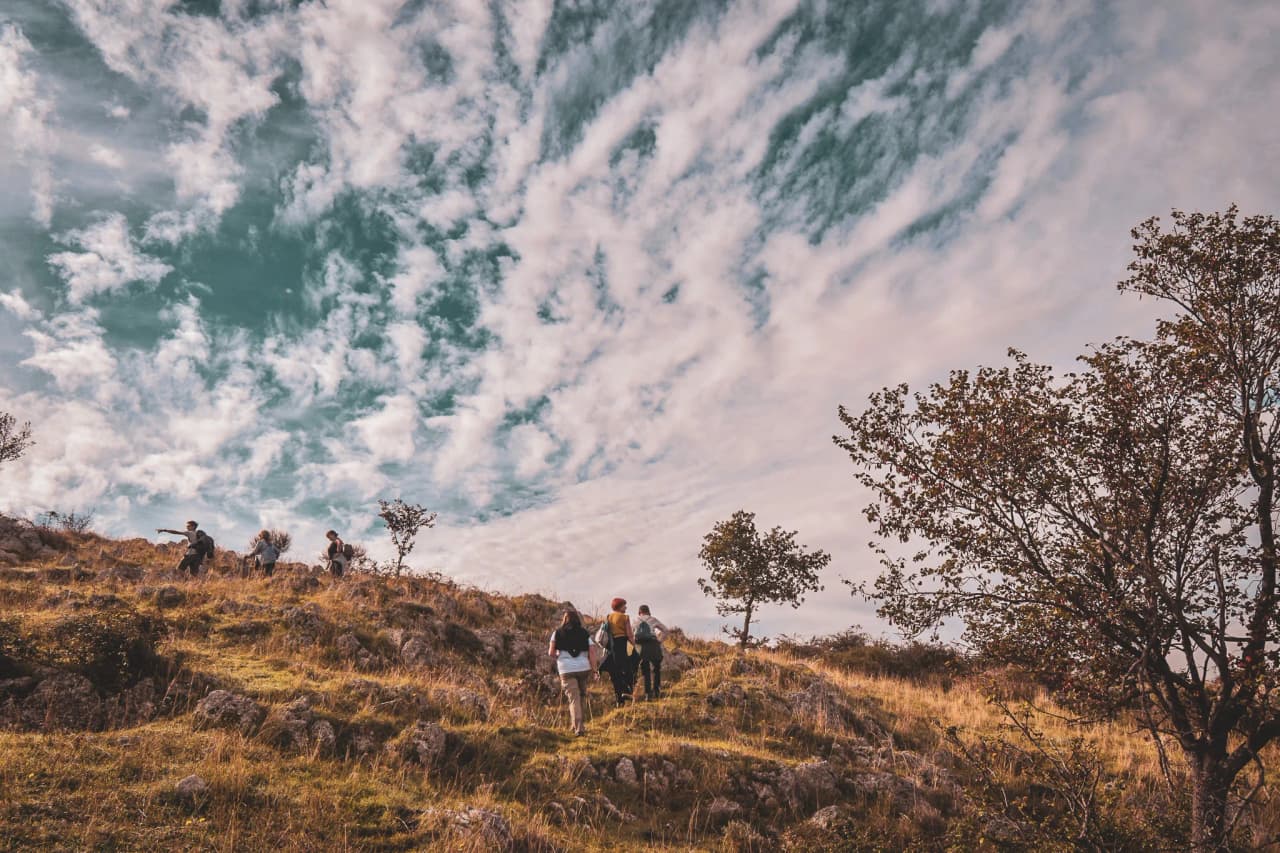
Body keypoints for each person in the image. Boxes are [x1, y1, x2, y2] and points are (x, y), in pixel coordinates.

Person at [548, 609, 599, 736]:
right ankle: (577, 724)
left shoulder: (557, 633)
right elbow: (592, 652)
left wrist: (559, 655)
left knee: (573, 698)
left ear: (564, 619)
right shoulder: (584, 633)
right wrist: (594, 670)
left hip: (566, 669)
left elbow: (551, 652)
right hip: (583, 668)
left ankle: (578, 728)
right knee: (581, 696)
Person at [633, 604, 669, 700]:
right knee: (656, 668)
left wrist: (635, 644)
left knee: (645, 670)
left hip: (640, 647)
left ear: (639, 612)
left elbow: (632, 634)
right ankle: (657, 691)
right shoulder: (653, 619)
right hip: (653, 645)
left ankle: (648, 694)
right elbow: (666, 630)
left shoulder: (635, 620)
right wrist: (659, 641)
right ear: (648, 611)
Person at [604, 597, 635, 706]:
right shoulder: (625, 617)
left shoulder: (608, 617)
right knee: (628, 669)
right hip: (622, 644)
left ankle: (619, 700)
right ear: (619, 606)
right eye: (624, 605)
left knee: (615, 672)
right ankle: (628, 692)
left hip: (612, 646)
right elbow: (629, 634)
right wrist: (634, 645)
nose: (625, 607)